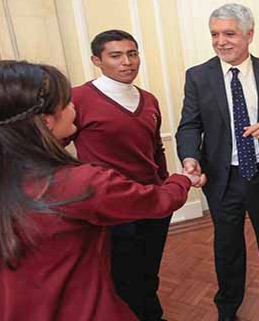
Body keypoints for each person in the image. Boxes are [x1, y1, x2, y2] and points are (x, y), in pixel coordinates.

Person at [0, 60, 201, 321]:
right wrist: (183, 180)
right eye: (67, 102)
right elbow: (156, 201)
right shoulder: (77, 184)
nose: (74, 106)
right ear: (47, 121)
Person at [176, 3, 259, 321]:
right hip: (222, 177)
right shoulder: (198, 76)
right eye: (214, 34)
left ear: (249, 34)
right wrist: (190, 157)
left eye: (229, 33)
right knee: (227, 244)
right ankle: (228, 305)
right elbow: (190, 125)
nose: (221, 41)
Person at [65, 29, 193, 321]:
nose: (127, 62)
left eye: (132, 54)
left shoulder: (148, 99)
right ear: (96, 60)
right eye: (116, 55)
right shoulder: (78, 98)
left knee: (148, 271)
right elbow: (52, 149)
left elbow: (155, 148)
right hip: (112, 208)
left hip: (153, 203)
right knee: (122, 278)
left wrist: (164, 187)